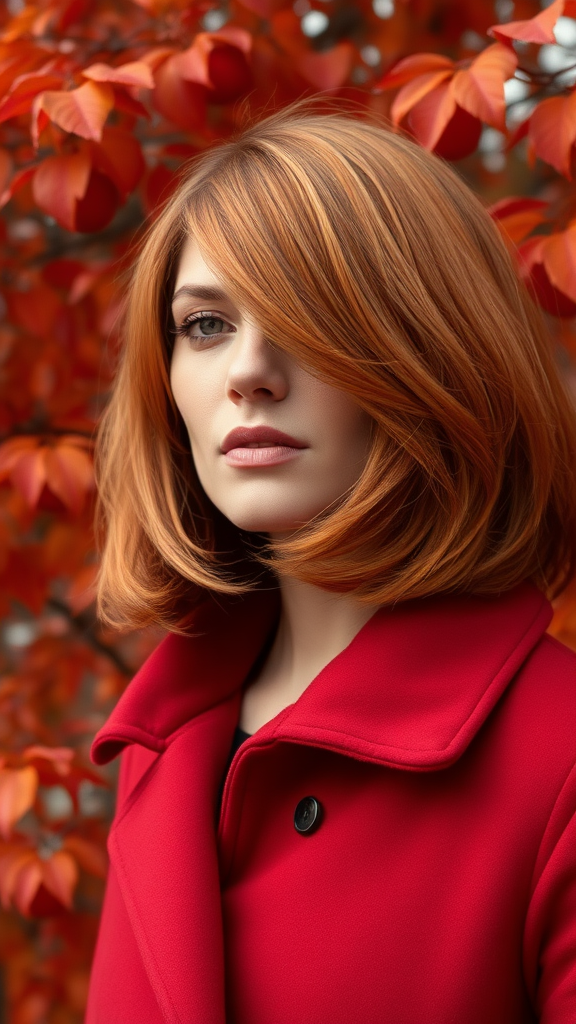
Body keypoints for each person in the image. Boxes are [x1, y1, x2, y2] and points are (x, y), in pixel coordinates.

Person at [85, 102, 576, 1024]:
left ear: (435, 352)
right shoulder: (164, 746)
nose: (249, 371)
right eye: (204, 325)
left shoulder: (562, 763)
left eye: (305, 315)